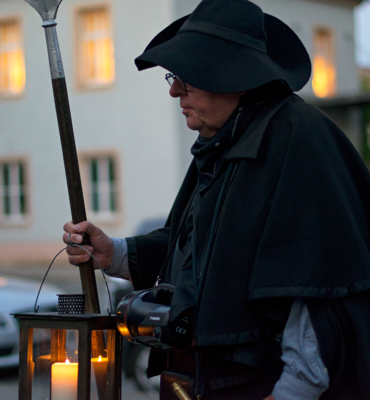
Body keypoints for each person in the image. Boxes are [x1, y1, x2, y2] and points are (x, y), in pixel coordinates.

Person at [63, 1, 370, 399]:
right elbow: (198, 249)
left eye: (186, 78)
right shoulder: (224, 141)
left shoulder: (298, 140)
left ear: (232, 77)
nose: (174, 90)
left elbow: (318, 288)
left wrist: (290, 393)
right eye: (173, 77)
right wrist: (113, 254)